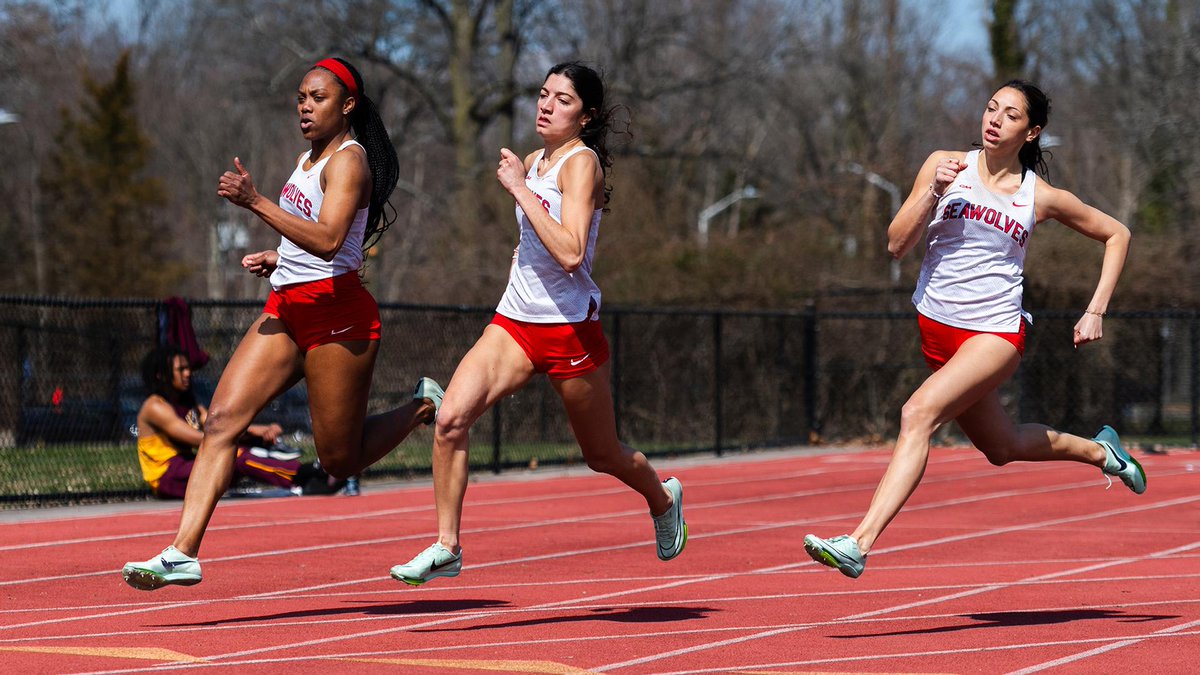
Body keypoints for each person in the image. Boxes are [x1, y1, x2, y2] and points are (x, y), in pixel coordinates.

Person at [122, 57, 443, 591]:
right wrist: (280, 257)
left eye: (317, 98)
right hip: (288, 307)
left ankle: (424, 405)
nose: (304, 106)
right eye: (300, 97)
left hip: (338, 318)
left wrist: (255, 202)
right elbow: (308, 239)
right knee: (222, 419)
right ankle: (182, 553)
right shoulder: (307, 157)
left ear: (347, 105)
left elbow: (330, 239)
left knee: (339, 460)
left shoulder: (349, 162)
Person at [803, 80, 1142, 579]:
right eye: (990, 108)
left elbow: (1117, 232)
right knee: (1000, 448)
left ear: (1032, 132)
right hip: (937, 331)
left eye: (1010, 114)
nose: (994, 119)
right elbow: (896, 245)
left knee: (917, 413)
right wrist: (932, 193)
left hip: (995, 335)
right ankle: (1102, 451)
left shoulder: (1038, 197)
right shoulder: (945, 164)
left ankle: (858, 543)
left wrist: (1095, 309)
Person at [389, 62, 686, 586]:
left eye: (562, 99)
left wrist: (519, 189)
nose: (546, 105)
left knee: (602, 454)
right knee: (451, 420)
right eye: (543, 94)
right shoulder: (533, 159)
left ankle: (662, 499)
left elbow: (571, 252)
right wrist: (516, 245)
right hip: (514, 323)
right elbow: (529, 242)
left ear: (586, 115)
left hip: (569, 329)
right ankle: (447, 545)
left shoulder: (581, 164)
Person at [134, 345, 342, 499]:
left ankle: (300, 470)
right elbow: (199, 439)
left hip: (191, 468)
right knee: (234, 454)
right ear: (161, 375)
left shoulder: (189, 402)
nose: (188, 374)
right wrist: (248, 435)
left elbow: (218, 427)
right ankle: (304, 475)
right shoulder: (155, 407)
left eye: (188, 368)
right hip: (167, 478)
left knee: (244, 444)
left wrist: (260, 432)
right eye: (181, 370)